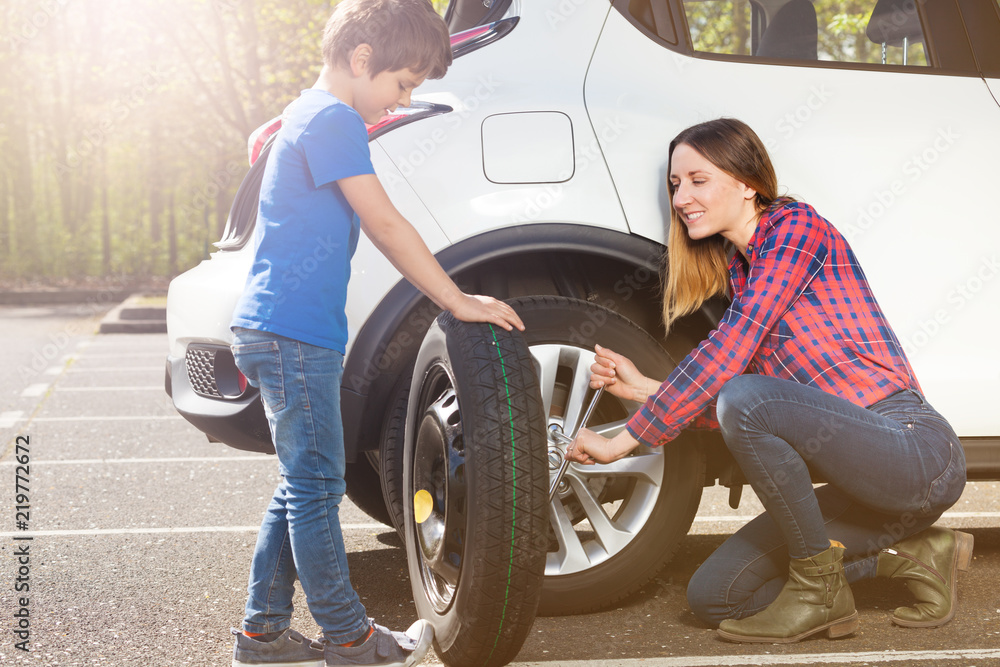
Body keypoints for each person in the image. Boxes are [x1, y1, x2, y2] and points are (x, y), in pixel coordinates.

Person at [565, 117, 971, 643]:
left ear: (747, 182)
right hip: (858, 487)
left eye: (697, 179)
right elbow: (751, 414)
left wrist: (624, 439)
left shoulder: (796, 229)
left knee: (744, 392)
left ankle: (818, 594)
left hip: (914, 452)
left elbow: (738, 360)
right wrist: (644, 388)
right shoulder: (745, 275)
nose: (681, 196)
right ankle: (912, 554)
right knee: (716, 595)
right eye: (674, 185)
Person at [227, 2, 525, 666]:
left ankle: (263, 632)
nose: (403, 98)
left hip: (280, 329)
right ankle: (351, 638)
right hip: (292, 334)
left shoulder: (306, 113)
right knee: (315, 486)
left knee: (300, 481)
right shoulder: (333, 120)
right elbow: (386, 224)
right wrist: (457, 298)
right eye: (403, 83)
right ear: (362, 59)